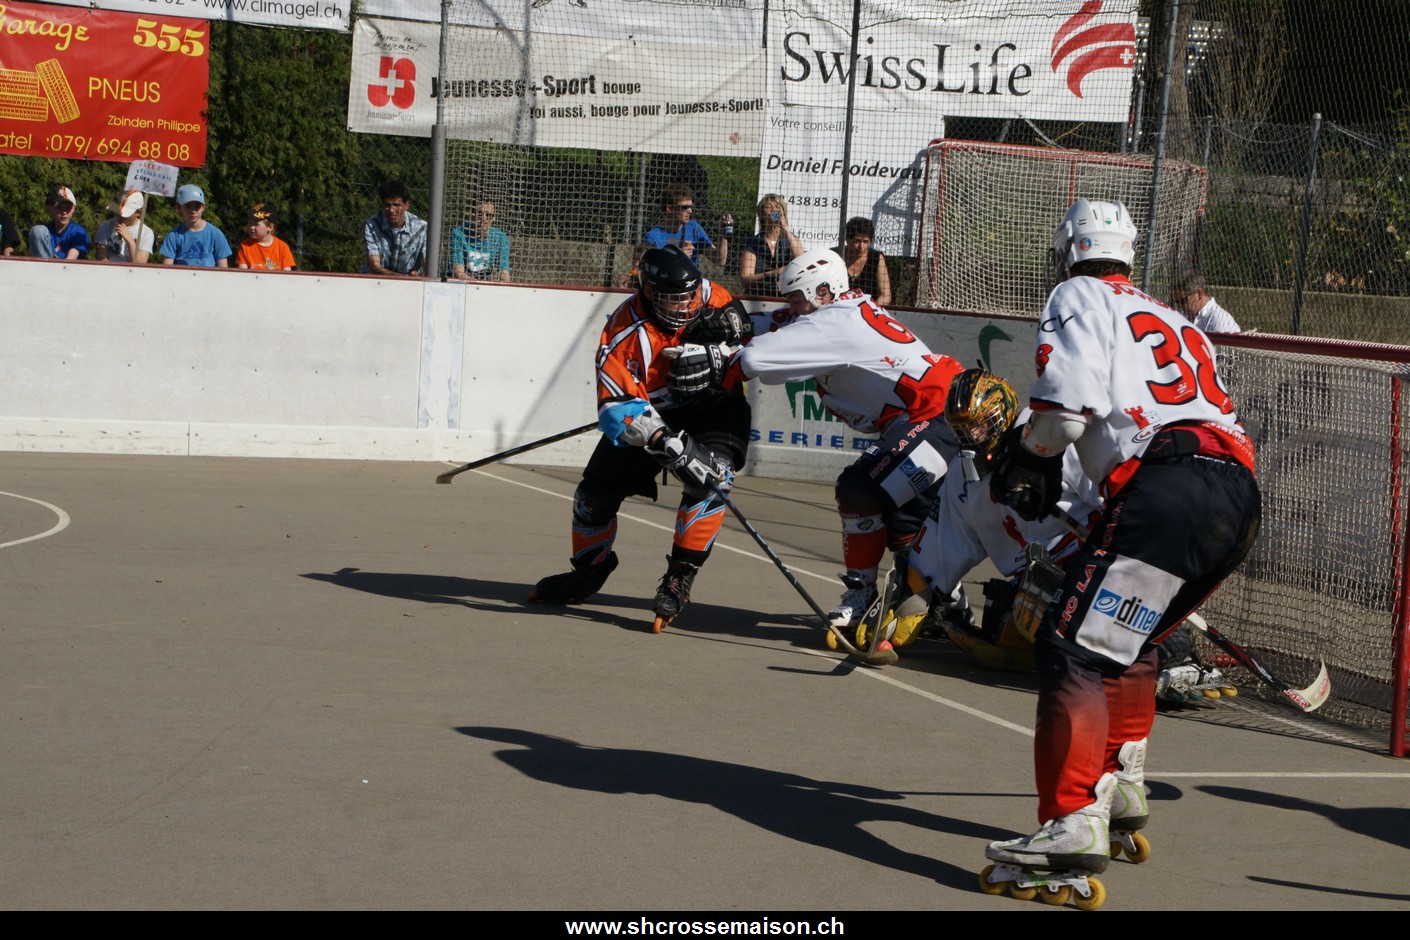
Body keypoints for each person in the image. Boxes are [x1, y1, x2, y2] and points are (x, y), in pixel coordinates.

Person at [981, 199, 1260, 885]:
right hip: (1237, 490)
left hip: (1165, 486)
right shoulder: (1177, 317)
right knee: (1130, 643)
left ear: (1067, 251)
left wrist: (1029, 457)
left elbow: (1063, 414)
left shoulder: (1076, 293)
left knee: (1069, 648)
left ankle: (1072, 823)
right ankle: (1124, 785)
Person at [669, 248, 963, 633]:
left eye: (795, 298)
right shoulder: (842, 310)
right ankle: (945, 606)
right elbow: (779, 322)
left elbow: (755, 360)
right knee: (906, 516)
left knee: (860, 490)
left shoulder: (832, 323)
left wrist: (721, 364)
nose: (790, 307)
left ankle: (863, 596)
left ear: (822, 292)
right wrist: (736, 323)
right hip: (942, 413)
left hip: (937, 416)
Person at [527, 245, 752, 633]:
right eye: (675, 299)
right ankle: (588, 572)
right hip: (656, 416)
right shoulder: (623, 332)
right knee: (592, 497)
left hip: (717, 408)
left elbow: (748, 338)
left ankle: (679, 577)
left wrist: (730, 344)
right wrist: (663, 439)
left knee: (712, 477)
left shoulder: (709, 295)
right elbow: (617, 407)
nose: (687, 306)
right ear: (649, 292)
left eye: (690, 296)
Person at [643, 184, 731, 269]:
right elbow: (653, 269)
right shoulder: (653, 237)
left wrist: (723, 235)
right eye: (685, 207)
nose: (690, 211)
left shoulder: (694, 228)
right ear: (669, 208)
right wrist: (678, 257)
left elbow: (719, 260)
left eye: (690, 207)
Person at [739, 194, 803, 295]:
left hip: (785, 296)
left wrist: (785, 228)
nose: (774, 209)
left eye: (777, 206)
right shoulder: (753, 243)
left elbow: (801, 260)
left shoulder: (791, 239)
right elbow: (745, 280)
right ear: (761, 215)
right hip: (758, 296)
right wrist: (774, 273)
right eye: (768, 207)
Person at [361, 181, 426, 277]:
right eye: (387, 205)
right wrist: (404, 278)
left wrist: (420, 276)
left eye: (396, 205)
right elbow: (374, 266)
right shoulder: (372, 225)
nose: (391, 210)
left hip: (410, 282)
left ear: (406, 205)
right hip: (376, 280)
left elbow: (428, 265)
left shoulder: (422, 228)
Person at [159, 184, 232, 267]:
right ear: (178, 207)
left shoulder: (216, 234)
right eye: (188, 206)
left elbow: (223, 270)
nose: (193, 210)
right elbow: (167, 269)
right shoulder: (173, 236)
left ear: (203, 207)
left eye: (197, 206)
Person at [834, 216, 891, 305]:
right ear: (847, 239)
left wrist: (869, 309)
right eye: (857, 241)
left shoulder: (876, 258)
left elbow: (885, 295)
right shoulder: (834, 255)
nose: (861, 246)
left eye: (865, 241)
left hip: (868, 309)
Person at [450, 200, 511, 281]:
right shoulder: (458, 234)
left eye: (488, 215)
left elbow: (505, 273)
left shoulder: (501, 238)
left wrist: (503, 279)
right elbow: (458, 273)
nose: (483, 218)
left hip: (485, 282)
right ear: (472, 215)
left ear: (494, 218)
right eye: (479, 214)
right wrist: (480, 285)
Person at [28, 185, 89, 260]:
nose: (64, 212)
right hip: (43, 267)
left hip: (68, 267)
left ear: (74, 209)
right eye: (59, 207)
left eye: (68, 208)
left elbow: (70, 260)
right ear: (48, 208)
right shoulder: (43, 233)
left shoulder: (78, 232)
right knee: (38, 230)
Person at [94, 190, 153, 264]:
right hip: (109, 269)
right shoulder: (106, 226)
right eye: (118, 213)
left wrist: (130, 241)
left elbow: (140, 263)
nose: (120, 217)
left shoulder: (146, 232)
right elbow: (101, 257)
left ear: (138, 212)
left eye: (125, 215)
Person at [1171, 272, 1241, 333]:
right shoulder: (1184, 316)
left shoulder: (1219, 321)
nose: (1179, 306)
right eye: (1177, 302)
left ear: (1200, 294)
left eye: (1183, 301)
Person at [235, 203, 296, 271]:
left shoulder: (282, 248)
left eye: (256, 224)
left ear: (270, 227)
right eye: (250, 223)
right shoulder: (245, 246)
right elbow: (243, 274)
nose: (251, 227)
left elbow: (286, 275)